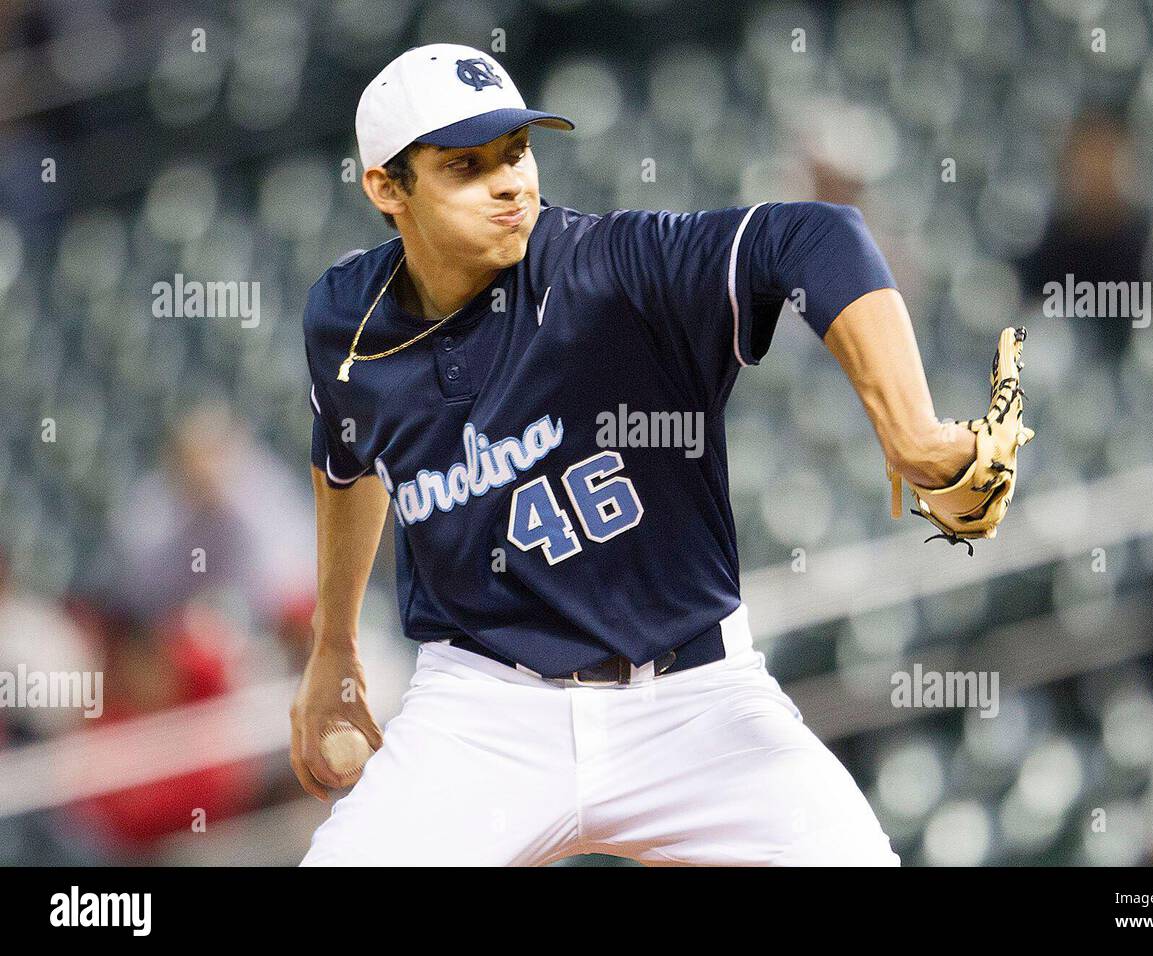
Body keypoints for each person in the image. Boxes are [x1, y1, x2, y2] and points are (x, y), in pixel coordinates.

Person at [293, 44, 1024, 865]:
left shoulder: (610, 270)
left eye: (517, 152)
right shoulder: (345, 321)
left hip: (694, 705)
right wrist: (335, 644)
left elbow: (816, 236)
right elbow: (348, 454)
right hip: (483, 711)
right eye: (466, 165)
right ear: (388, 188)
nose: (510, 183)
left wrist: (912, 426)